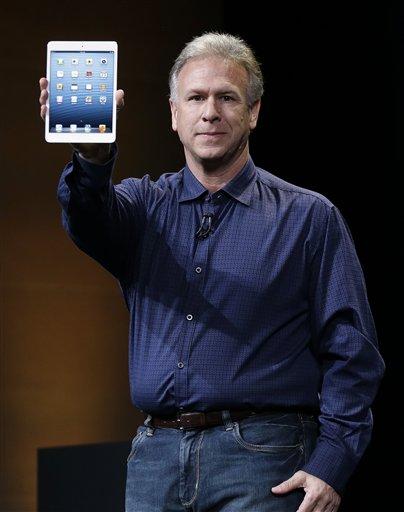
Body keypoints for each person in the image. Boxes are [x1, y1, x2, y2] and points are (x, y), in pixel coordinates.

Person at [39, 32, 385, 512]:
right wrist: (93, 156)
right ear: (174, 114)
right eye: (196, 98)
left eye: (227, 97)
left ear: (254, 112)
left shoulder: (309, 217)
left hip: (264, 458)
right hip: (154, 459)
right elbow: (88, 217)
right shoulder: (143, 207)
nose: (210, 112)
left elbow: (353, 352)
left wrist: (332, 462)